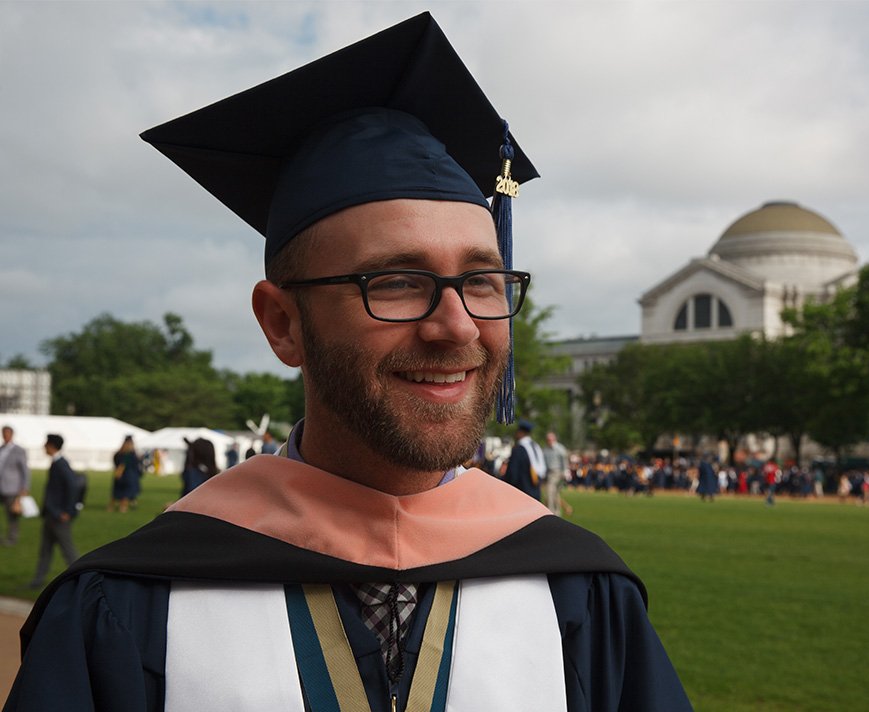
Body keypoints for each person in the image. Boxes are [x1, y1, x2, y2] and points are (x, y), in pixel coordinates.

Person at [6, 14, 691, 712]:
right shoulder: (130, 606)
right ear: (283, 325)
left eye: (483, 281)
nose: (457, 325)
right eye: (395, 281)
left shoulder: (581, 594)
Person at [27, 434, 79, 588]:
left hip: (58, 516)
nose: (43, 446)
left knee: (68, 550)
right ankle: (38, 580)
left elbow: (73, 486)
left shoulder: (61, 464)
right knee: (45, 550)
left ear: (51, 445)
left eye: (46, 444)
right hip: (51, 514)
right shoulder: (57, 463)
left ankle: (81, 578)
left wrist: (67, 511)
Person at [0, 425, 31, 546]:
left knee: (12, 515)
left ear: (12, 435)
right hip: (1, 486)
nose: (5, 436)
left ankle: (12, 538)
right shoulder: (1, 449)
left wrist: (25, 487)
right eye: (4, 433)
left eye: (7, 433)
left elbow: (25, 470)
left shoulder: (19, 450)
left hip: (12, 488)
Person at [503, 419, 547, 501]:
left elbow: (512, 474)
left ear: (520, 432)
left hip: (523, 492)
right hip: (536, 492)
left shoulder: (519, 449)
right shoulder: (536, 446)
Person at [110, 435, 142, 513]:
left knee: (118, 492)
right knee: (126, 493)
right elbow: (134, 465)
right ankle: (123, 507)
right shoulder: (131, 454)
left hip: (121, 475)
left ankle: (111, 507)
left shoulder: (118, 454)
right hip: (128, 476)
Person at [542, 430, 569, 516]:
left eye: (550, 439)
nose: (549, 441)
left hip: (558, 473)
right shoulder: (545, 449)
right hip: (549, 473)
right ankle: (556, 513)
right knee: (554, 494)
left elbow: (564, 461)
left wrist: (565, 472)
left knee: (551, 492)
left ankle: (552, 512)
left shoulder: (560, 449)